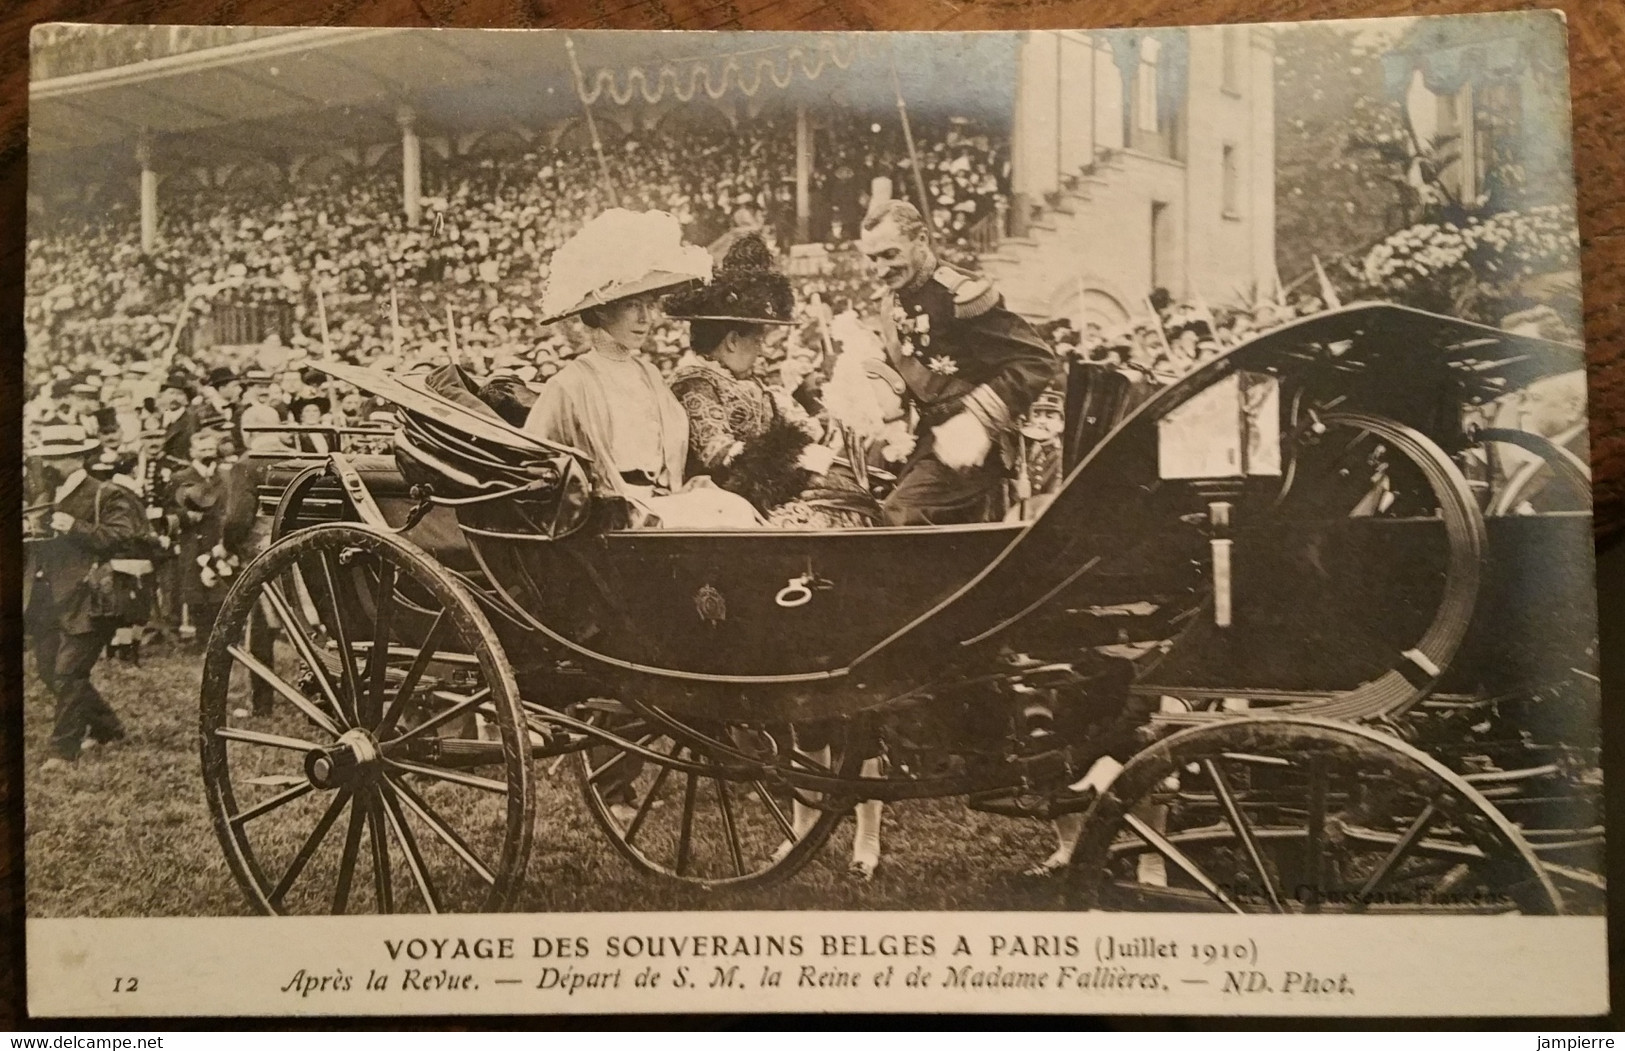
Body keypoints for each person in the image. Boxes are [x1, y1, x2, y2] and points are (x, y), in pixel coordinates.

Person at [856, 200, 1057, 525]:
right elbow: (910, 366)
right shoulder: (892, 299)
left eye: (890, 254)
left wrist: (978, 421)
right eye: (873, 258)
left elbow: (1036, 360)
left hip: (976, 442)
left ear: (921, 240)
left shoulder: (961, 295)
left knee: (901, 516)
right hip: (926, 439)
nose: (881, 270)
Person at [523, 209, 710, 505]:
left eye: (649, 305)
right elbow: (532, 458)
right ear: (600, 309)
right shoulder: (570, 383)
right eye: (633, 305)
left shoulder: (648, 374)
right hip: (606, 514)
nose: (645, 318)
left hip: (660, 500)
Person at [665, 233, 832, 517]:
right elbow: (719, 454)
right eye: (757, 340)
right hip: (720, 504)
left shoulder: (750, 381)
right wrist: (794, 454)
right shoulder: (694, 384)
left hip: (768, 494)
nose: (762, 349)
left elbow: (797, 426)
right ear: (732, 341)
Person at [25, 423, 146, 769]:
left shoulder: (106, 493)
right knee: (49, 670)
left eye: (57, 458)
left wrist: (74, 527)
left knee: (68, 672)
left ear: (77, 458)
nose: (48, 464)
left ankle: (63, 751)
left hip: (89, 596)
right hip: (47, 595)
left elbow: (122, 536)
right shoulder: (45, 495)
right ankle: (108, 727)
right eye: (47, 457)